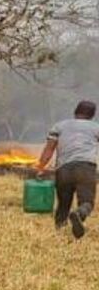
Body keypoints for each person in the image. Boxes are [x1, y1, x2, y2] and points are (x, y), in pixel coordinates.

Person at [36, 100, 99, 238]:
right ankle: (79, 214)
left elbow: (49, 149)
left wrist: (40, 167)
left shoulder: (59, 126)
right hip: (85, 168)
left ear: (75, 111)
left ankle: (60, 234)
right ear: (93, 115)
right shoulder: (96, 128)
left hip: (63, 169)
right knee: (87, 202)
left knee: (63, 205)